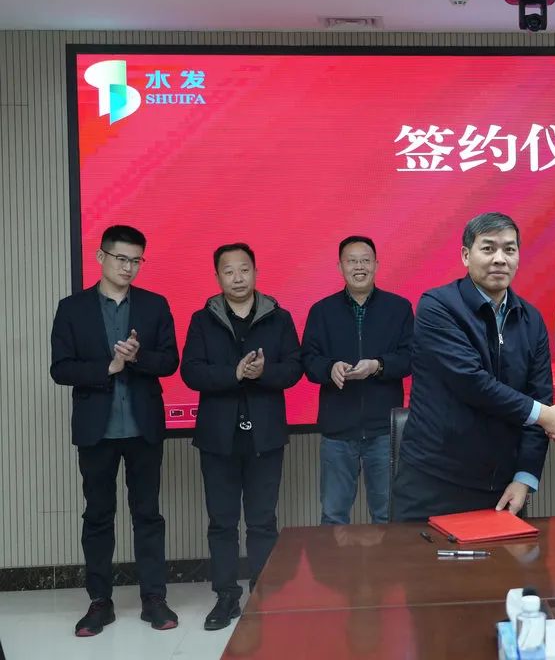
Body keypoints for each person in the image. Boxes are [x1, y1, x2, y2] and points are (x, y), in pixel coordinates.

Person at [391, 212, 555, 522]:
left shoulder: (531, 320)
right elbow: (471, 382)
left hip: (502, 488)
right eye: (488, 248)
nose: (500, 259)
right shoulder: (438, 306)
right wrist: (547, 416)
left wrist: (525, 477)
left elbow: (539, 396)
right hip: (432, 481)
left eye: (509, 249)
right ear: (466, 255)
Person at [50, 225, 180, 636]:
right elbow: (60, 369)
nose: (128, 267)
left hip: (143, 428)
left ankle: (153, 598)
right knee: (98, 516)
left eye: (136, 260)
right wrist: (108, 367)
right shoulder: (72, 308)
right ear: (100, 257)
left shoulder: (155, 305)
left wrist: (138, 358)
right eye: (121, 258)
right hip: (97, 430)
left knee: (148, 515)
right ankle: (100, 602)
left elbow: (170, 362)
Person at [180, 243, 302, 630]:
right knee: (222, 522)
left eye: (244, 269)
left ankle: (262, 595)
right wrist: (233, 374)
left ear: (255, 272)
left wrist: (264, 373)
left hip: (265, 436)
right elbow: (190, 372)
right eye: (229, 271)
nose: (237, 277)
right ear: (218, 277)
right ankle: (226, 597)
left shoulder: (278, 318)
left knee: (263, 521)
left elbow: (294, 368)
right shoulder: (203, 320)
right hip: (218, 437)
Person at [301, 236, 414, 525]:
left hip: (384, 431)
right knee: (333, 516)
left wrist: (378, 366)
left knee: (387, 516)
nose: (359, 267)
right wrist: (330, 368)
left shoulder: (399, 308)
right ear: (340, 267)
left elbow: (411, 357)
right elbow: (308, 360)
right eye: (352, 261)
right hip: (337, 431)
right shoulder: (321, 311)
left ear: (376, 264)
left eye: (365, 260)